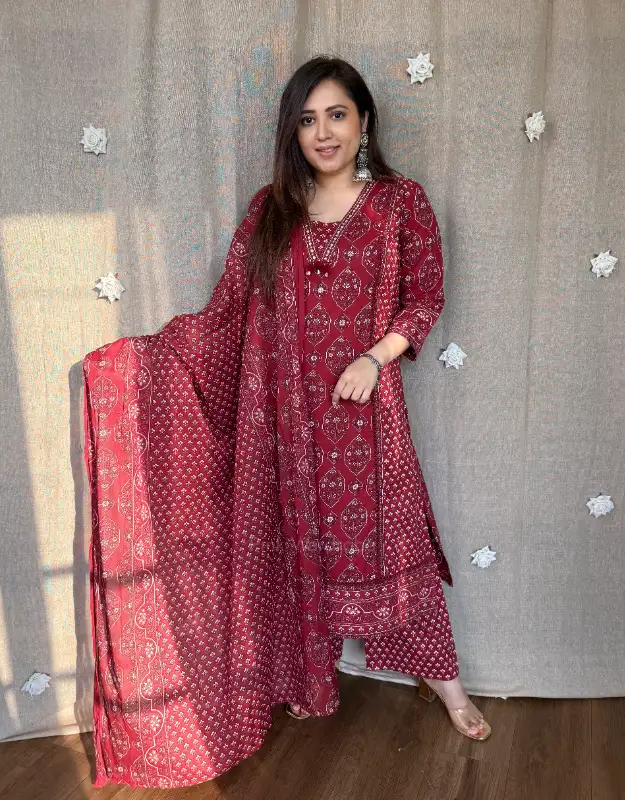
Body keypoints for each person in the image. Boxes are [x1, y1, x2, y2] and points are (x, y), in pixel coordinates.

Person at [82, 55, 489, 791]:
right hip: (283, 429)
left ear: (364, 120)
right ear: (291, 132)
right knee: (297, 555)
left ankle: (449, 686)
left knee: (394, 549)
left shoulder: (400, 203)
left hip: (367, 424)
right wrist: (138, 363)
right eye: (306, 120)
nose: (322, 133)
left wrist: (376, 357)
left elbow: (425, 296)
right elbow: (228, 313)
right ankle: (309, 676)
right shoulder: (271, 209)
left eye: (336, 114)